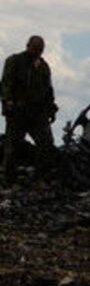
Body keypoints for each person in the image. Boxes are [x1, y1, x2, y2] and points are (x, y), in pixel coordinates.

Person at [2, 34, 59, 185]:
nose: (38, 52)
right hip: (18, 111)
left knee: (46, 144)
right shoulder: (14, 61)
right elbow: (6, 84)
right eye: (35, 48)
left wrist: (51, 109)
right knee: (12, 148)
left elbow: (48, 90)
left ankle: (39, 177)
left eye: (40, 49)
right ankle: (8, 180)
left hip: (37, 113)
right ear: (28, 46)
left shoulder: (43, 67)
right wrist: (8, 103)